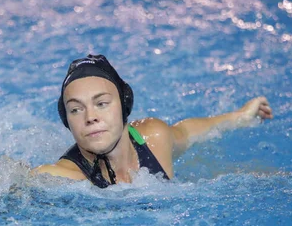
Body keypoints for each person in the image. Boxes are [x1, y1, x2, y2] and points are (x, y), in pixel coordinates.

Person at [34, 54, 273, 186]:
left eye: (102, 103)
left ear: (124, 106)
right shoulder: (65, 177)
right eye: (75, 110)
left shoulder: (154, 138)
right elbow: (15, 182)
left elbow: (188, 132)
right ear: (66, 120)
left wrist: (238, 117)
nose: (90, 117)